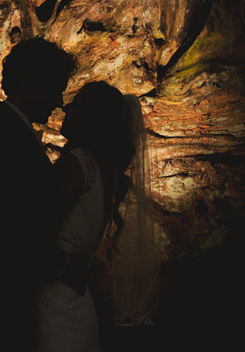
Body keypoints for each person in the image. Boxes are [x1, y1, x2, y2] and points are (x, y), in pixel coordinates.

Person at [0, 38, 76, 352]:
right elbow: (6, 223)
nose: (60, 101)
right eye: (53, 89)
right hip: (0, 291)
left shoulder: (7, 130)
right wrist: (62, 265)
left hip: (11, 289)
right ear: (26, 84)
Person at [36, 81, 159, 352]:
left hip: (56, 303)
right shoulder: (105, 173)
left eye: (76, 104)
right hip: (78, 303)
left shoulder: (79, 162)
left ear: (92, 117)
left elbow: (39, 232)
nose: (66, 107)